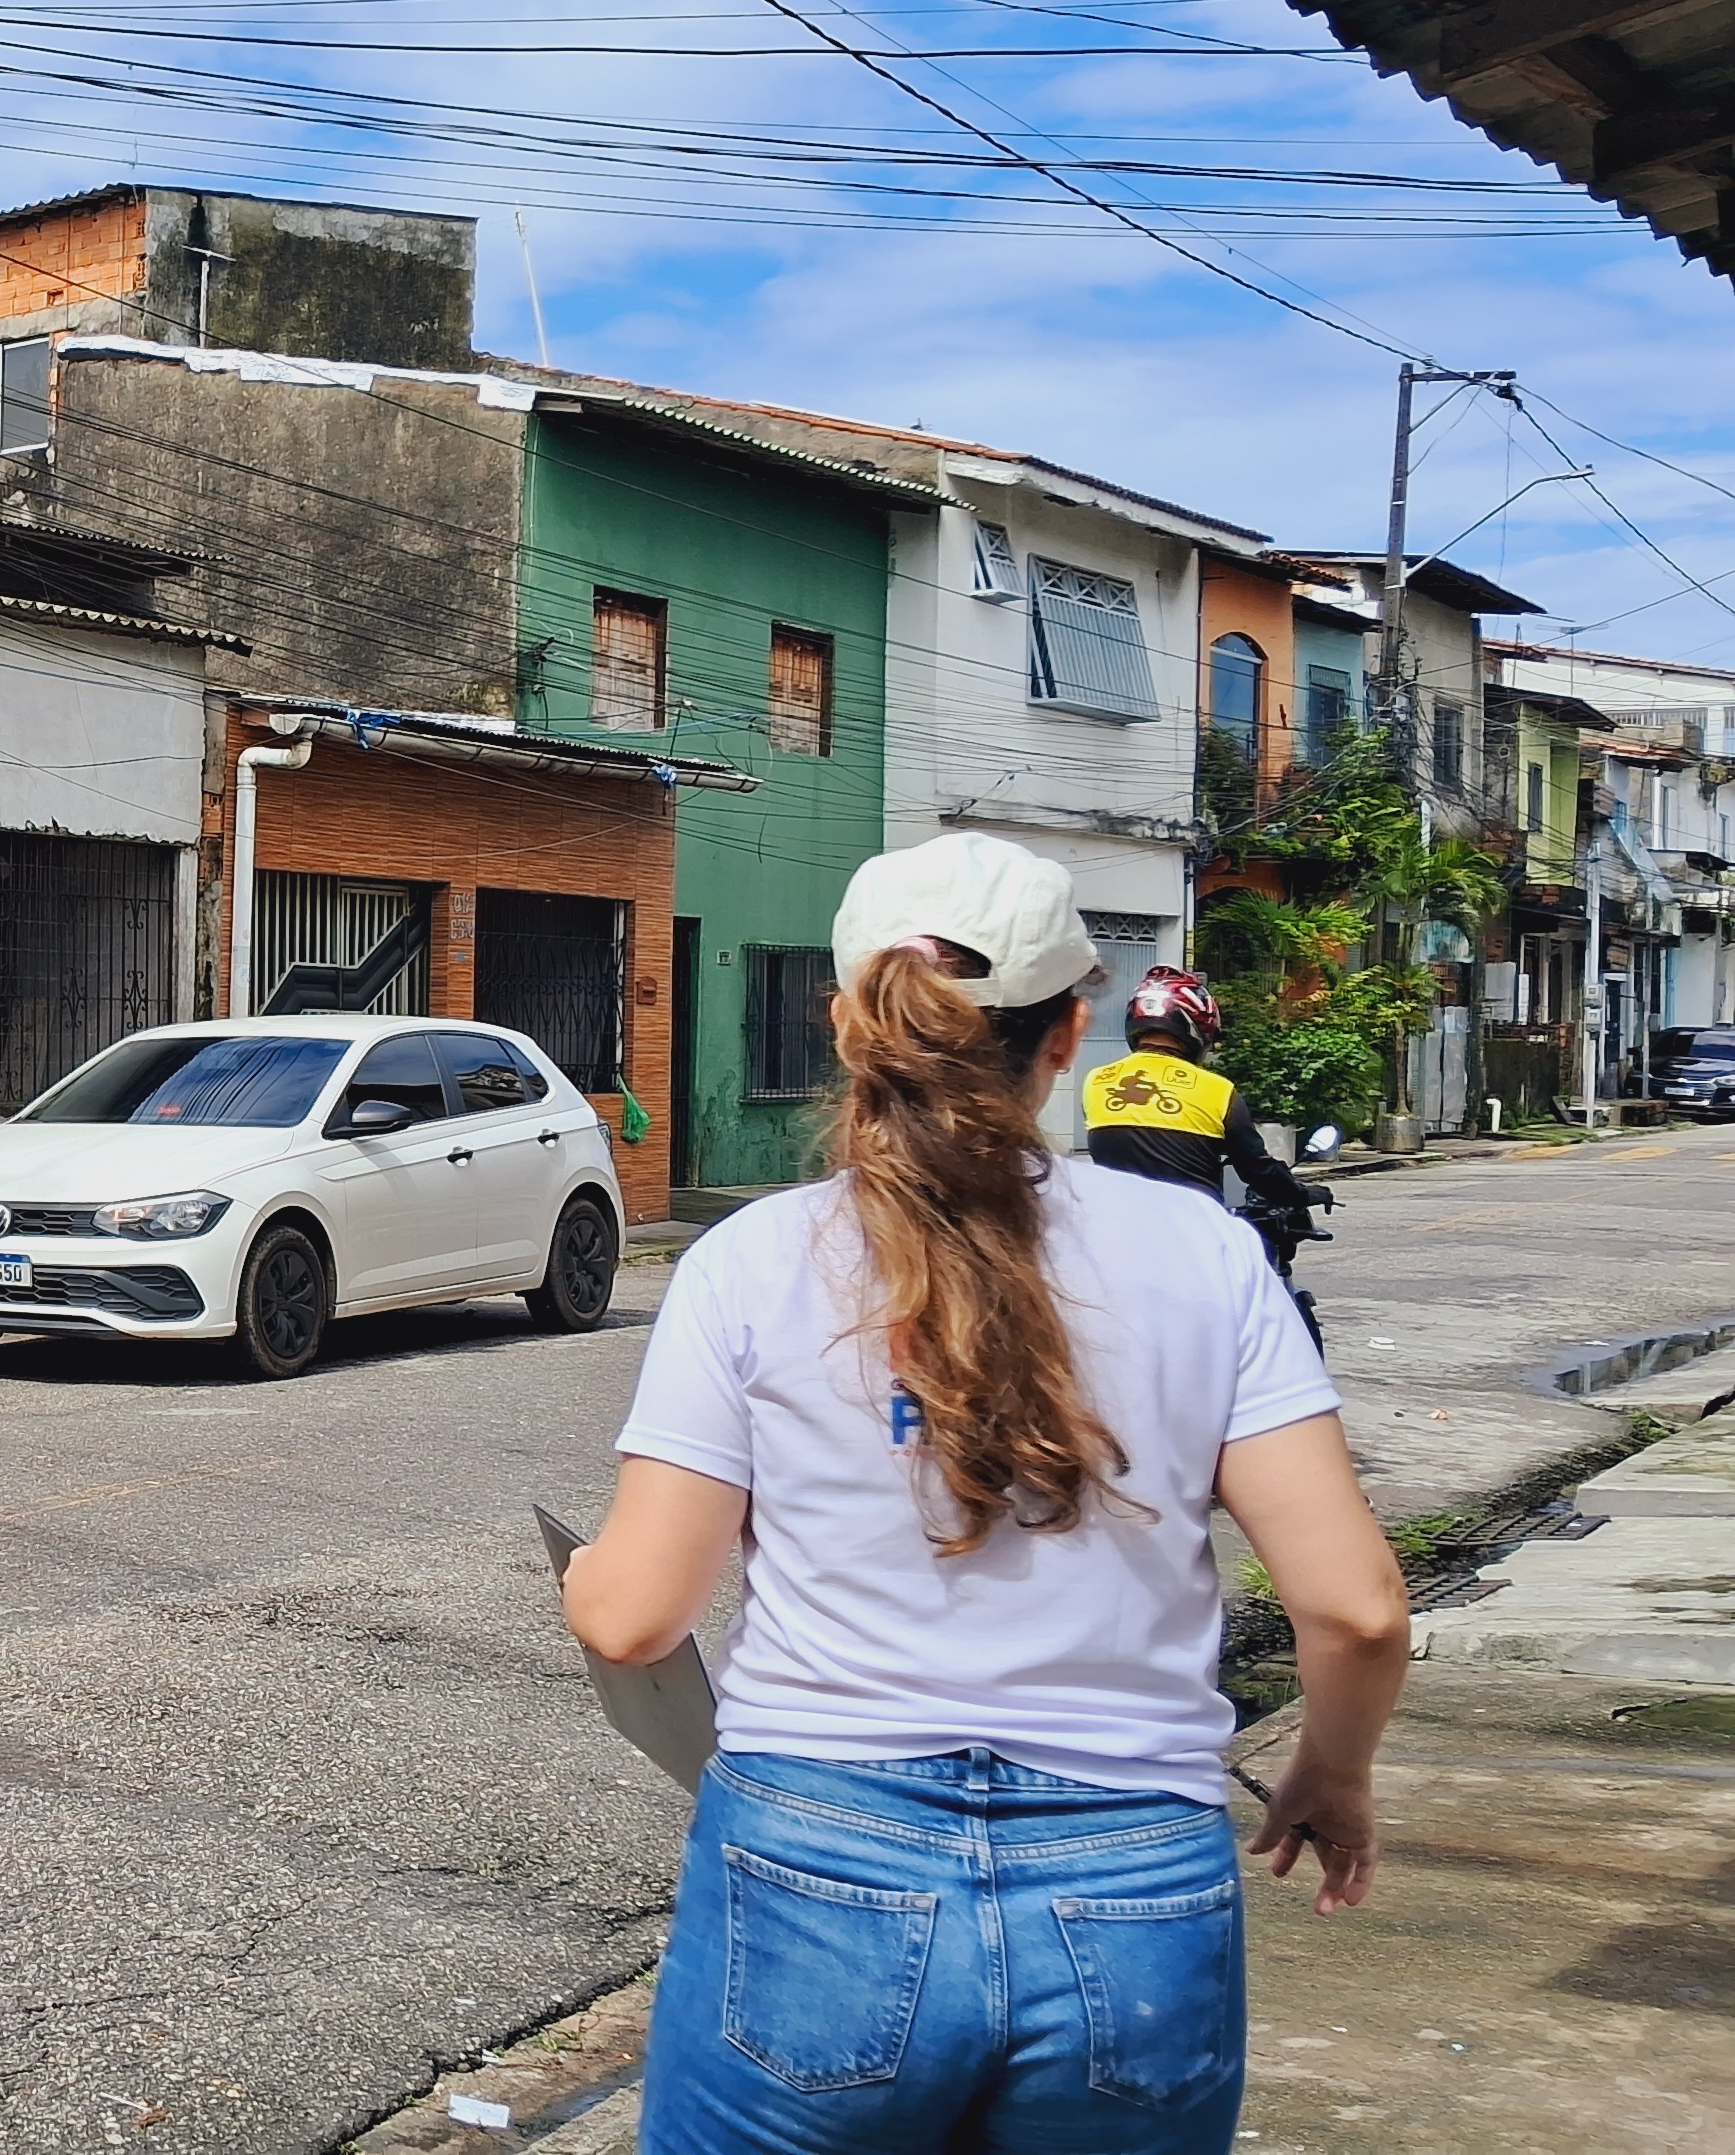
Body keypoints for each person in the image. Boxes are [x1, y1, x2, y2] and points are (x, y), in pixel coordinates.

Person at [562, 832, 1411, 2153]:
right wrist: (1332, 1771)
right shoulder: (1209, 1256)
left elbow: (633, 1619)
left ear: (848, 1025)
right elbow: (1357, 1611)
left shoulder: (752, 1264)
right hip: (1135, 1887)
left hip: (818, 1872)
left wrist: (587, 1575)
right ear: (1068, 1034)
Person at [1081, 964, 1315, 1213]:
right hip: (1195, 1231)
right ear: (1199, 1026)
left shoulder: (1096, 1081)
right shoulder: (1218, 1091)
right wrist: (1303, 1194)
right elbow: (1257, 1168)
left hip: (1113, 1224)